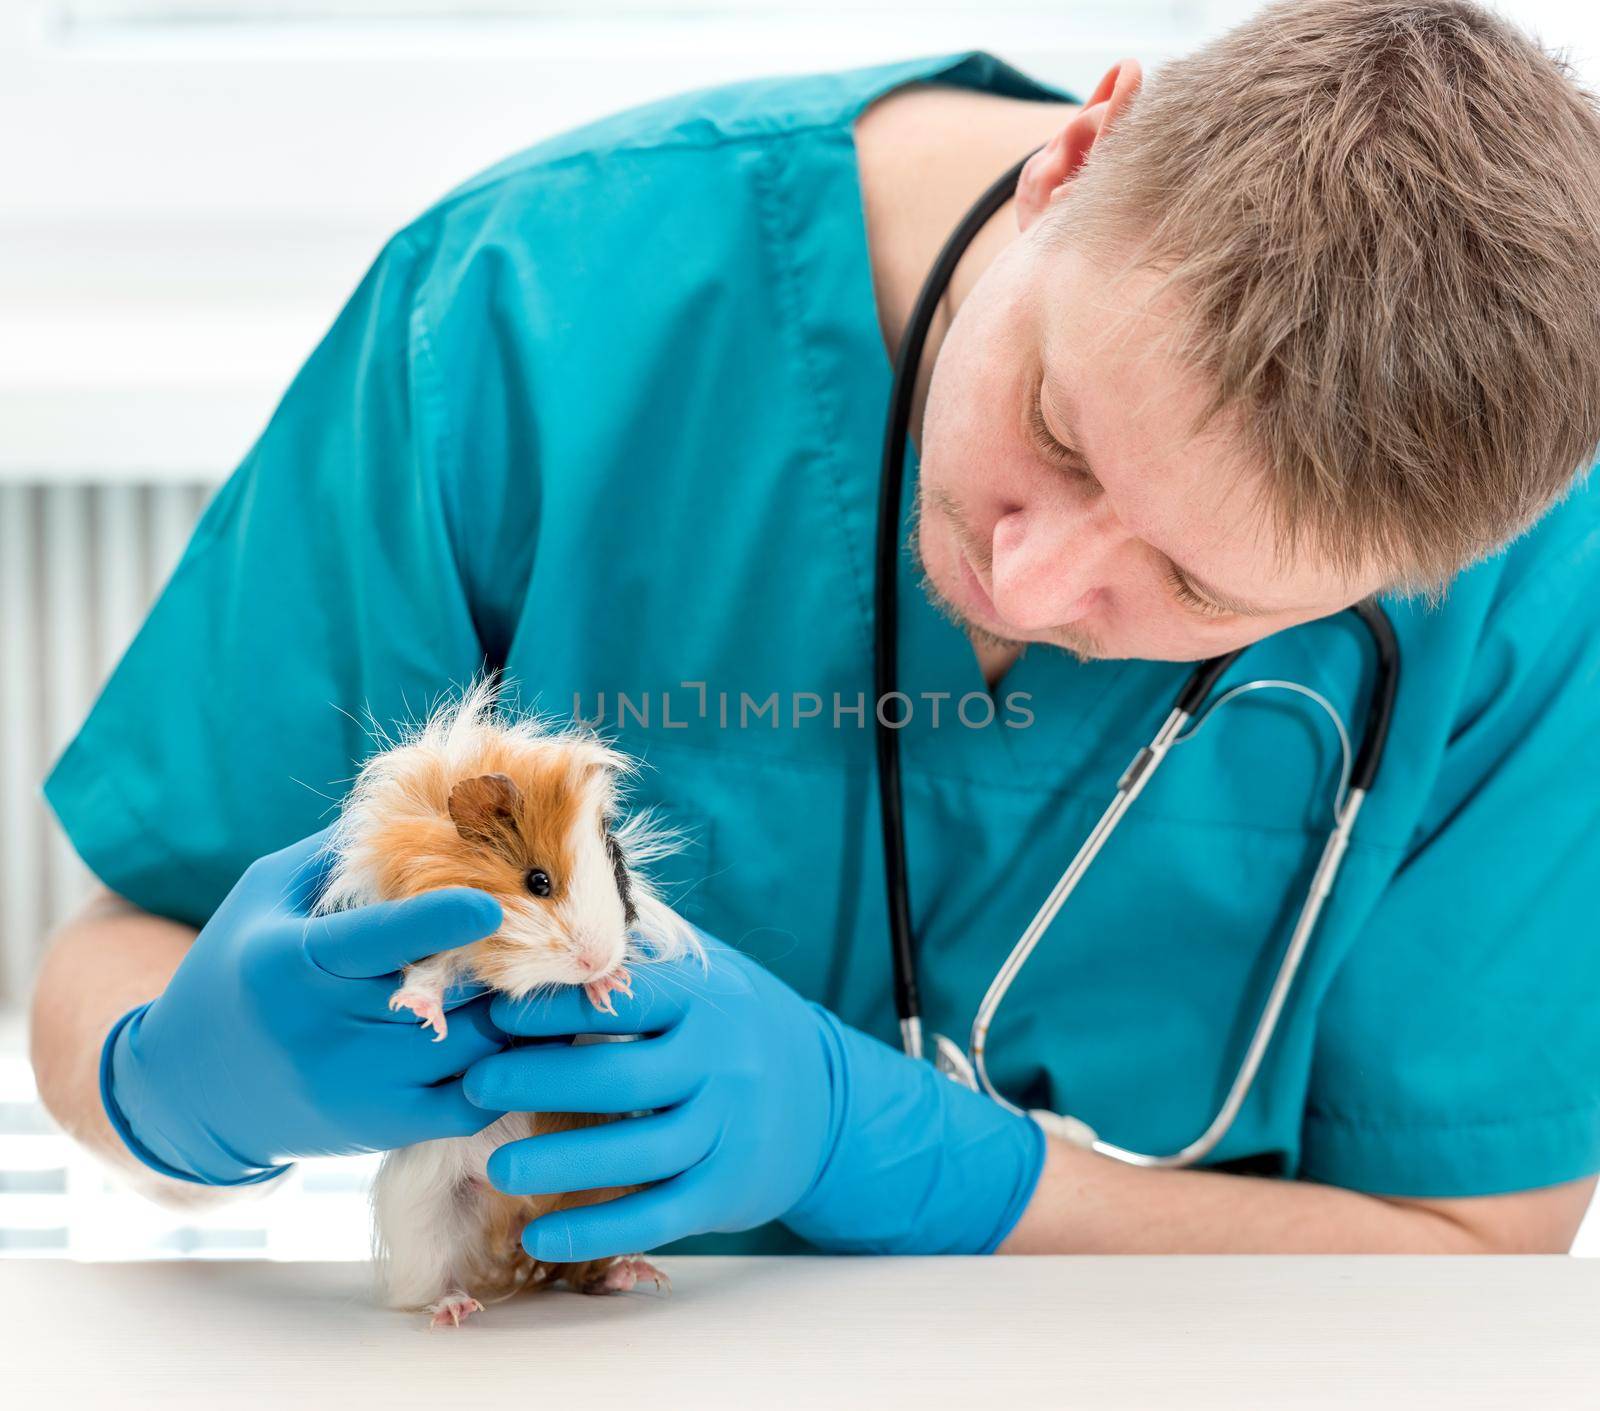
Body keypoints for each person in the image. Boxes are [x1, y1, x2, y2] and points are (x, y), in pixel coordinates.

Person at [29, 0, 1600, 1258]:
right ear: (1079, 153)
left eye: (1201, 592)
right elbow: (109, 956)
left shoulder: (1535, 583)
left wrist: (921, 1166)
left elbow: (1470, 1241)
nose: (1030, 586)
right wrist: (171, 1088)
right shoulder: (529, 307)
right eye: (1054, 428)